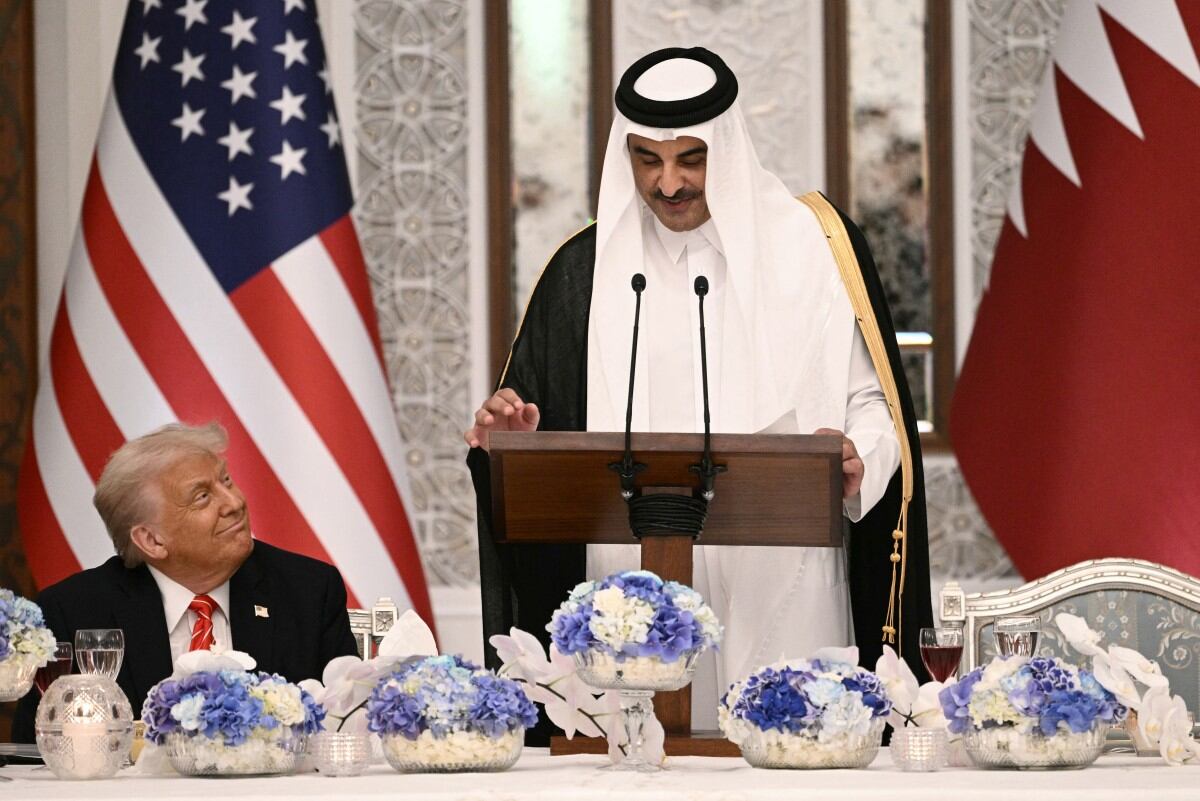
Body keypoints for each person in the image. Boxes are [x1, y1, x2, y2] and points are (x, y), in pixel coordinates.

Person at [466, 47, 933, 733]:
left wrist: (860, 455)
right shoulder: (583, 270)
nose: (670, 183)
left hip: (783, 577)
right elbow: (535, 429)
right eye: (648, 160)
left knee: (789, 760)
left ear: (730, 147)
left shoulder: (814, 246)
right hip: (630, 592)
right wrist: (516, 432)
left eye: (692, 158)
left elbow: (877, 406)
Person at [14, 422, 359, 742]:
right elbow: (38, 751)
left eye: (226, 481)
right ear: (152, 540)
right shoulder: (73, 614)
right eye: (203, 497)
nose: (235, 503)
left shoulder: (308, 591)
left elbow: (346, 732)